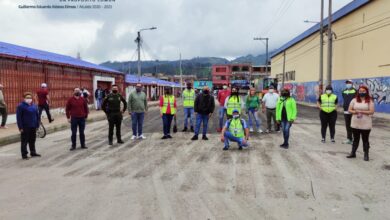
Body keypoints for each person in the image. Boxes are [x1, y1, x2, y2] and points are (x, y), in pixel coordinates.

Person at [347, 85, 375, 161]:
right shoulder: (354, 100)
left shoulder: (370, 100)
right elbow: (349, 110)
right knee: (355, 139)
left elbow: (371, 111)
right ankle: (353, 153)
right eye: (360, 91)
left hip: (366, 124)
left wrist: (362, 112)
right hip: (355, 123)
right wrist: (355, 111)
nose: (361, 92)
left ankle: (366, 155)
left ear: (366, 92)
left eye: (363, 91)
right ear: (358, 92)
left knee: (365, 140)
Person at [16, 92, 41, 160]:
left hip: (33, 125)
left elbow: (37, 115)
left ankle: (33, 152)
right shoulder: (21, 106)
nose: (29, 99)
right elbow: (19, 118)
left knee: (32, 140)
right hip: (25, 126)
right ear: (24, 98)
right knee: (24, 141)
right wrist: (20, 127)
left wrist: (37, 124)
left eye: (30, 97)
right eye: (27, 98)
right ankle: (24, 154)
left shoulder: (34, 105)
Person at [342, 80, 357, 145]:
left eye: (349, 83)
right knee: (348, 126)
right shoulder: (343, 91)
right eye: (347, 83)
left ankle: (355, 139)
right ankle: (349, 139)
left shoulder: (355, 91)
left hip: (353, 111)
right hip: (346, 110)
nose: (348, 84)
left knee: (353, 125)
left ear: (352, 83)